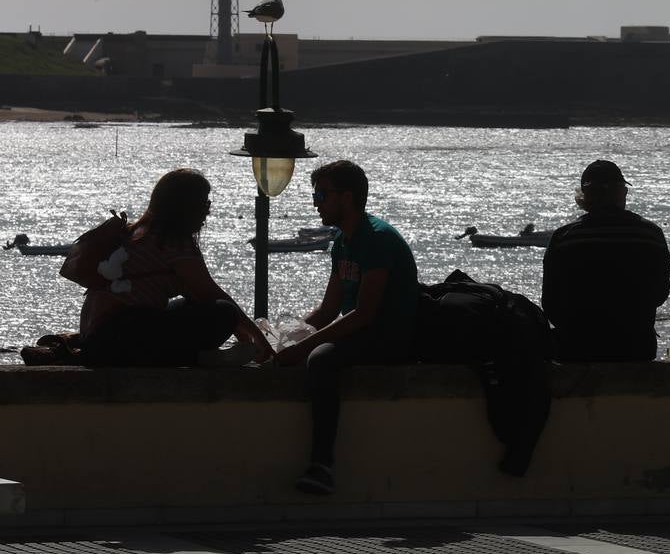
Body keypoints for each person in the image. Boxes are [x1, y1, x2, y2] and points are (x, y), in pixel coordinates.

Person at [275, 160, 421, 495]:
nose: (316, 202)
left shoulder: (377, 239)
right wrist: (285, 339)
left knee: (321, 359)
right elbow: (328, 309)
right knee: (304, 350)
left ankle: (322, 465)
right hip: (360, 331)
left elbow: (365, 313)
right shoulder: (343, 241)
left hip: (389, 337)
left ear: (348, 196)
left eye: (322, 194)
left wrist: (304, 348)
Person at [79, 168, 274, 368]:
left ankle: (199, 356)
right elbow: (211, 292)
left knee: (195, 305)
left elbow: (199, 294)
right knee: (225, 312)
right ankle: (199, 358)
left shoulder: (138, 233)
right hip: (117, 342)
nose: (208, 210)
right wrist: (259, 338)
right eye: (204, 202)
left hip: (97, 342)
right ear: (186, 207)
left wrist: (243, 336)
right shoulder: (172, 242)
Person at [541, 159, 670, 361]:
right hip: (636, 346)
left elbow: (550, 303)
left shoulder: (564, 238)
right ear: (622, 193)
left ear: (585, 196)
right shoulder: (650, 235)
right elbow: (660, 294)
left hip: (576, 347)